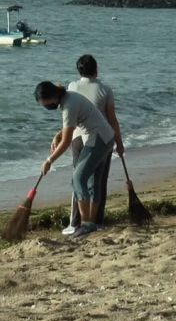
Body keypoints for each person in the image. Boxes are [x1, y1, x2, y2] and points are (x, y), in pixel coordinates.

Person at [35, 81, 115, 238]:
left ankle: (85, 224)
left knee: (78, 178)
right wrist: (59, 134)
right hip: (106, 136)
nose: (46, 107)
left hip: (99, 138)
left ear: (52, 97)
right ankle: (92, 223)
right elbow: (69, 128)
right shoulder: (68, 99)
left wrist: (49, 161)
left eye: (45, 104)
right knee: (93, 182)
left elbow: (66, 142)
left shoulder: (68, 105)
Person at [57, 54, 125, 235]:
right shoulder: (105, 90)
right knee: (98, 181)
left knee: (78, 180)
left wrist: (59, 136)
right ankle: (97, 222)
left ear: (79, 71)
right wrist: (119, 143)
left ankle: (75, 222)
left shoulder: (72, 87)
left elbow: (69, 117)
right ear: (96, 69)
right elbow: (112, 120)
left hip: (78, 137)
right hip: (103, 138)